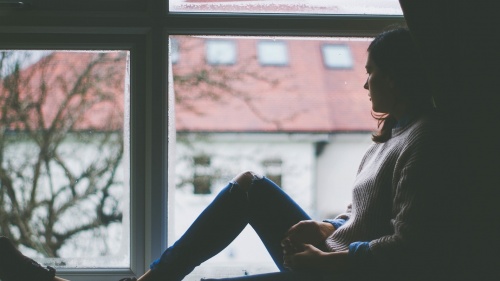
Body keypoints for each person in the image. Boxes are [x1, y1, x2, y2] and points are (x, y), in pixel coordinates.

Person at [0, 27, 451, 281]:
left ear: (397, 76)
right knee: (249, 187)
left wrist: (329, 260)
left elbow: (413, 249)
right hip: (330, 259)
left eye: (373, 73)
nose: (366, 83)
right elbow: (361, 213)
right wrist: (324, 225)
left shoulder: (426, 140)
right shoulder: (393, 134)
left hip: (343, 276)